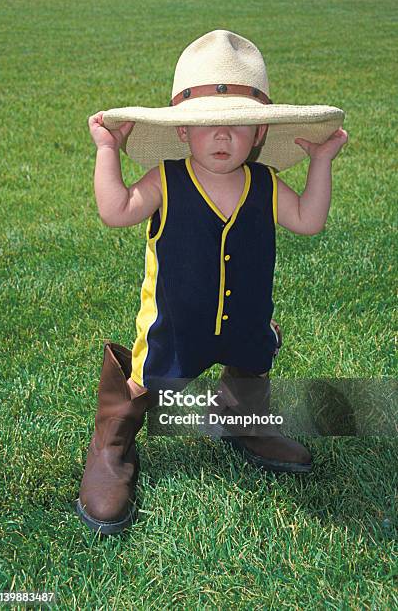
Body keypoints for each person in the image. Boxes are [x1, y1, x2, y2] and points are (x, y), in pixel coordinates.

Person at [76, 30, 348, 535]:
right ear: (182, 132)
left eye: (240, 126)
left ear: (261, 133)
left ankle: (242, 419)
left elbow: (308, 220)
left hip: (243, 312)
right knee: (149, 374)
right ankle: (110, 447)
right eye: (207, 125)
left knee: (251, 355)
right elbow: (116, 212)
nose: (223, 138)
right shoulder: (167, 178)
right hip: (177, 320)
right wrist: (106, 151)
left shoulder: (264, 183)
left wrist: (322, 164)